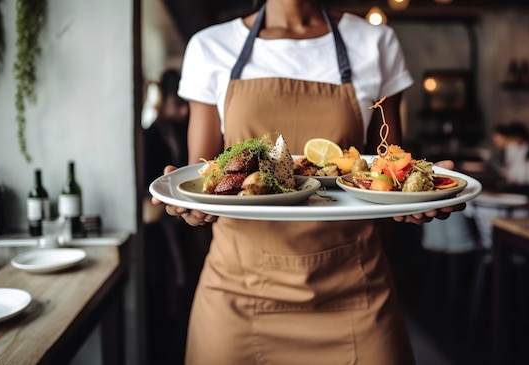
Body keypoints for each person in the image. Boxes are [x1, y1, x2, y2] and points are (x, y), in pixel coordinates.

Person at [152, 1, 464, 364]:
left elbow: (388, 164)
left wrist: (417, 196)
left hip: (355, 291)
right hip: (237, 292)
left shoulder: (375, 43)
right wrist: (190, 207)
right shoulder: (211, 46)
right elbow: (203, 174)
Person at [142, 69, 211, 364]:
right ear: (165, 100)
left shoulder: (185, 130)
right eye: (178, 103)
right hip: (159, 226)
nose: (184, 111)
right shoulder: (149, 136)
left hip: (190, 223)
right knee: (169, 286)